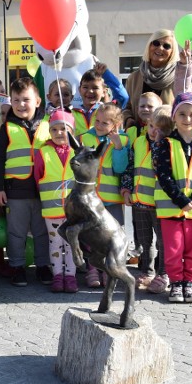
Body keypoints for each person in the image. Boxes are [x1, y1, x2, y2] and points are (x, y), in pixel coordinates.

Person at [152, 93, 192, 304]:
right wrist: (180, 199)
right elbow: (164, 175)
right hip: (171, 207)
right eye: (182, 114)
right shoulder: (164, 144)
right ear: (174, 116)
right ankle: (176, 282)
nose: (187, 119)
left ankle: (190, 281)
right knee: (173, 247)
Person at [0, 77, 52, 287]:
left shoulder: (49, 125)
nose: (20, 105)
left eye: (25, 99)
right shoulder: (7, 129)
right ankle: (17, 266)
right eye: (16, 100)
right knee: (15, 232)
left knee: (42, 231)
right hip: (16, 191)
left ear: (38, 101)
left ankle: (44, 266)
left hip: (45, 191)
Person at [122, 105, 173, 293]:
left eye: (161, 128)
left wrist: (159, 142)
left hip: (160, 206)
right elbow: (129, 167)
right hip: (139, 203)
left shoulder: (168, 145)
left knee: (163, 242)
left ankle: (163, 273)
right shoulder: (138, 143)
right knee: (144, 242)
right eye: (152, 126)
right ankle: (147, 271)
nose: (154, 131)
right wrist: (126, 190)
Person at [79, 103, 130, 287]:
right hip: (91, 199)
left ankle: (111, 271)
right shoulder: (85, 138)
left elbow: (120, 168)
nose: (99, 125)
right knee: (91, 236)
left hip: (111, 200)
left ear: (116, 125)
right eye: (97, 121)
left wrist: (117, 147)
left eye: (105, 123)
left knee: (113, 237)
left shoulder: (123, 141)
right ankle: (93, 269)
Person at [34, 109, 78, 293]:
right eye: (55, 129)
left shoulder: (77, 152)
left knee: (71, 244)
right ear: (49, 132)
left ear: (72, 132)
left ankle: (71, 276)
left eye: (64, 129)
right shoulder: (43, 152)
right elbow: (38, 177)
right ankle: (58, 276)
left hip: (73, 211)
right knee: (55, 244)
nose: (60, 133)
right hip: (52, 210)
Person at [123, 30, 180, 128]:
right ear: (149, 46)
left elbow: (184, 107)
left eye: (166, 46)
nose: (160, 48)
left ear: (172, 52)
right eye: (156, 43)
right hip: (138, 138)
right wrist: (128, 120)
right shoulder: (134, 77)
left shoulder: (178, 78)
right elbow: (125, 106)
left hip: (166, 137)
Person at [72, 69, 107, 137]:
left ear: (104, 92)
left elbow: (123, 96)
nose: (90, 91)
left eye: (95, 88)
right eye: (85, 87)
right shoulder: (71, 113)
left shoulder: (107, 112)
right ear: (79, 90)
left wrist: (106, 71)